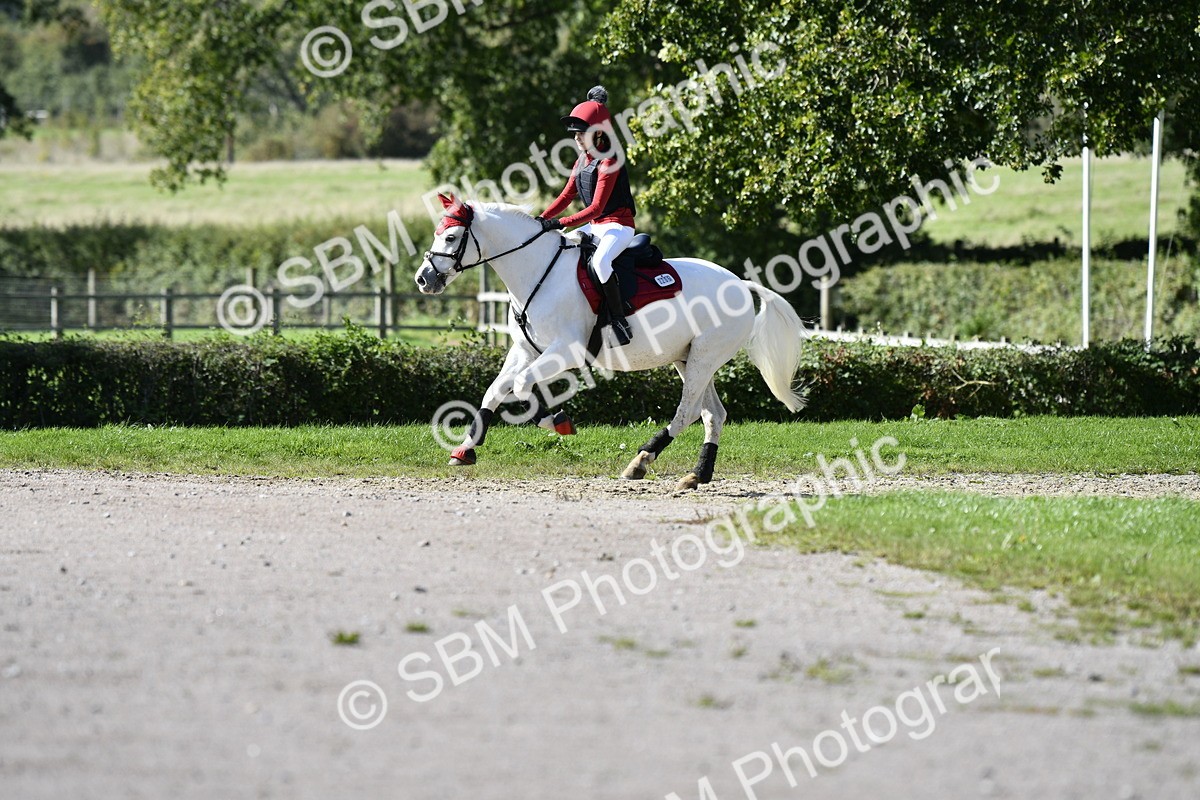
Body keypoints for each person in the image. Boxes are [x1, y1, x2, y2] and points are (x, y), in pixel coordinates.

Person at [537, 85, 636, 345]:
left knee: (602, 262)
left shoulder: (609, 161)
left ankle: (618, 320)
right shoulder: (582, 161)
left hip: (618, 227)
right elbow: (566, 197)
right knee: (561, 250)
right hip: (596, 227)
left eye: (582, 134)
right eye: (575, 134)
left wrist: (557, 223)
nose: (577, 138)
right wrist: (540, 219)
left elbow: (597, 209)